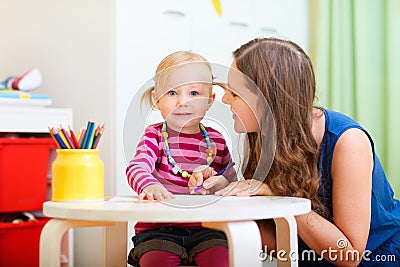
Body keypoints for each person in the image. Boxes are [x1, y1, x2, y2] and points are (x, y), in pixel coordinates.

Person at [189, 38, 400, 266]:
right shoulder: (265, 135)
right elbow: (283, 243)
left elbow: (348, 256)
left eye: (235, 93)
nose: (224, 98)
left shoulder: (348, 142)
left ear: (269, 99)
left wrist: (280, 199)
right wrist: (226, 197)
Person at [126, 51, 236, 267]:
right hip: (158, 230)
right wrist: (149, 185)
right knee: (156, 261)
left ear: (210, 100)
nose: (183, 102)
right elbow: (137, 167)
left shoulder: (216, 140)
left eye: (194, 93)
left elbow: (231, 181)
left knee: (222, 260)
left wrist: (221, 182)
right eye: (172, 93)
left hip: (209, 229)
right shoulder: (154, 135)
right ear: (156, 100)